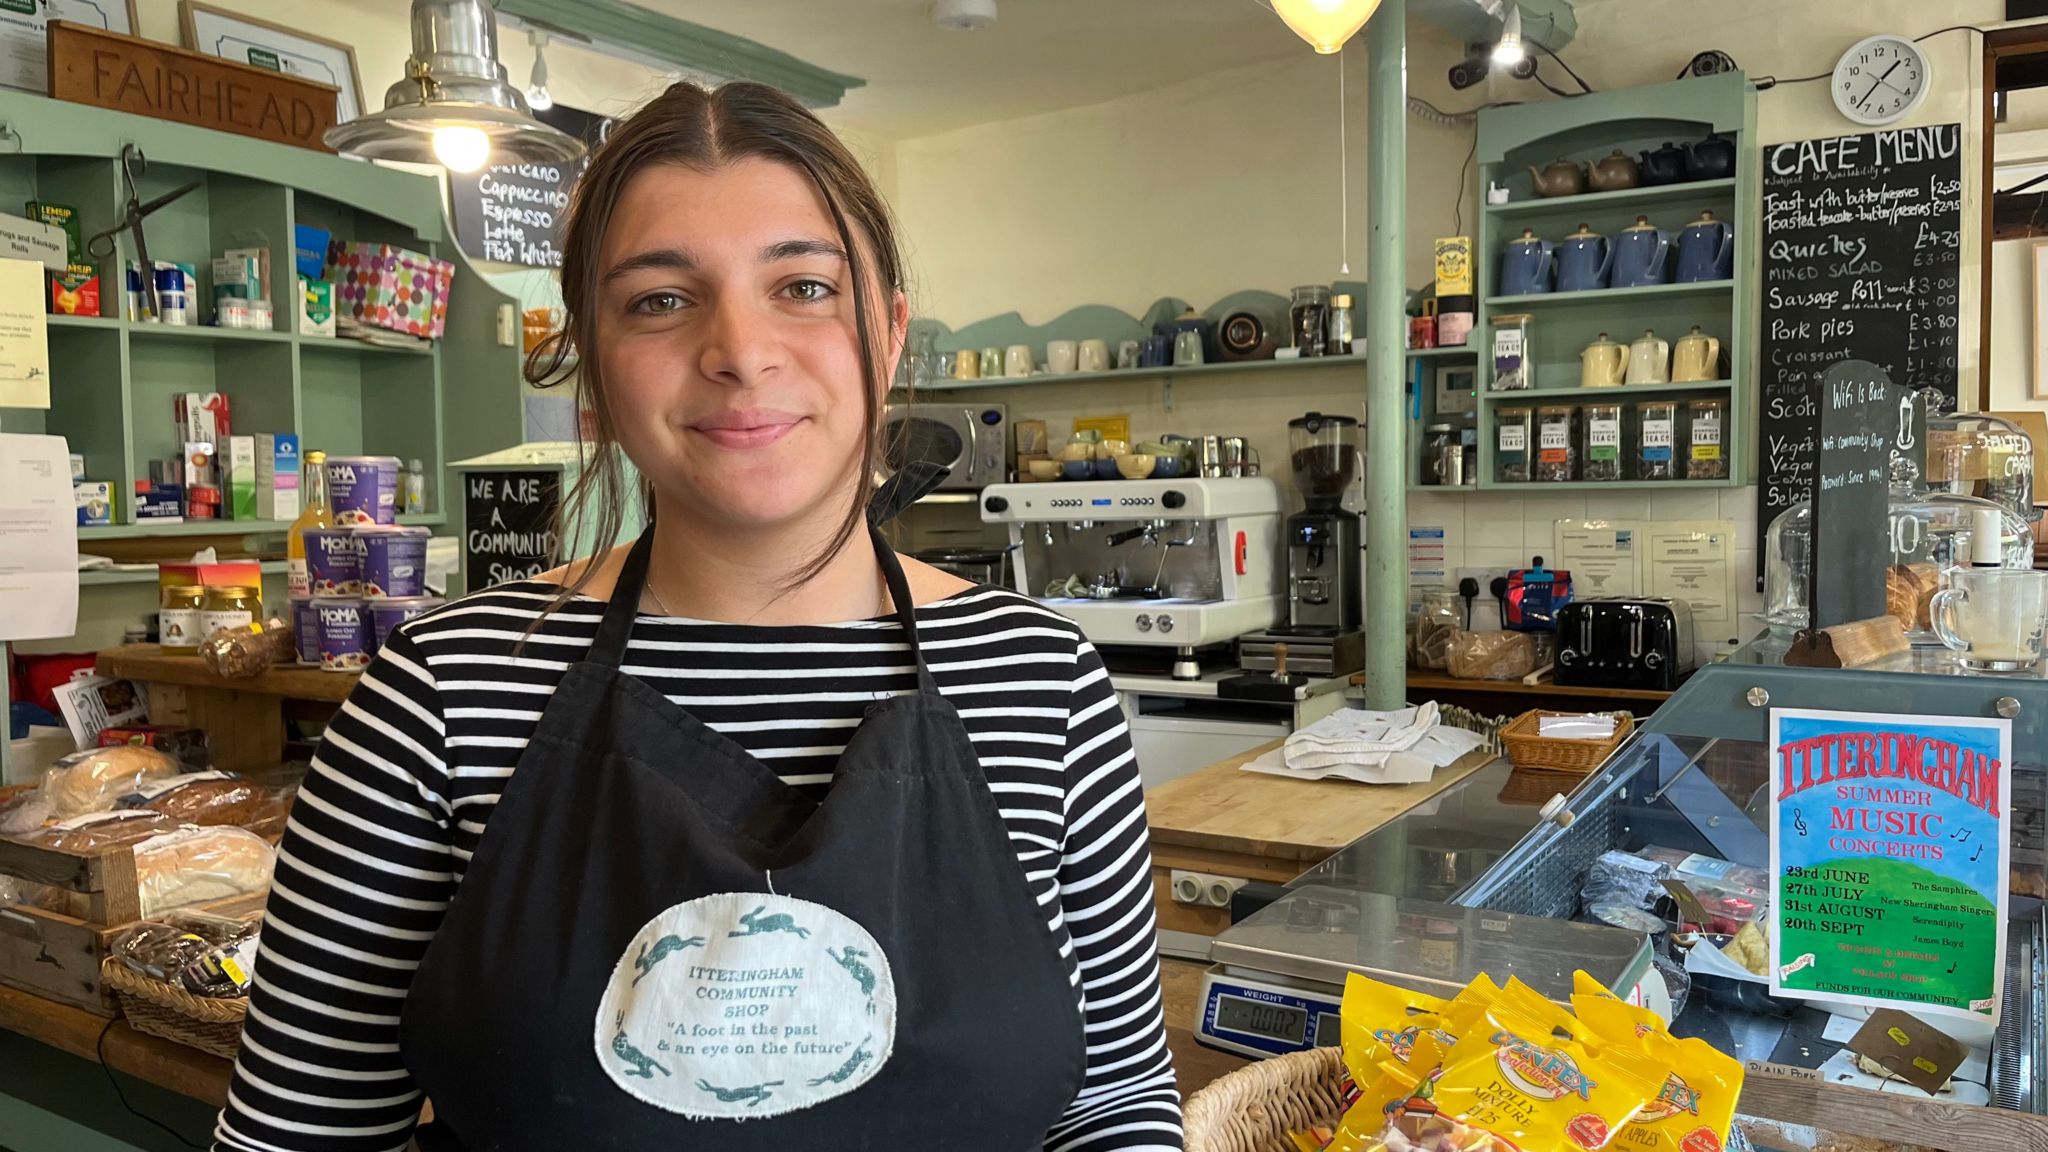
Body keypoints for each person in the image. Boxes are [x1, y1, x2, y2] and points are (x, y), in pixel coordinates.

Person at [212, 80, 1182, 1151]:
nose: (740, 350)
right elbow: (301, 1132)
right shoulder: (443, 692)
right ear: (594, 357)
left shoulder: (1041, 680)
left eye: (804, 286)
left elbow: (1112, 1100)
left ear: (890, 332)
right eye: (660, 300)